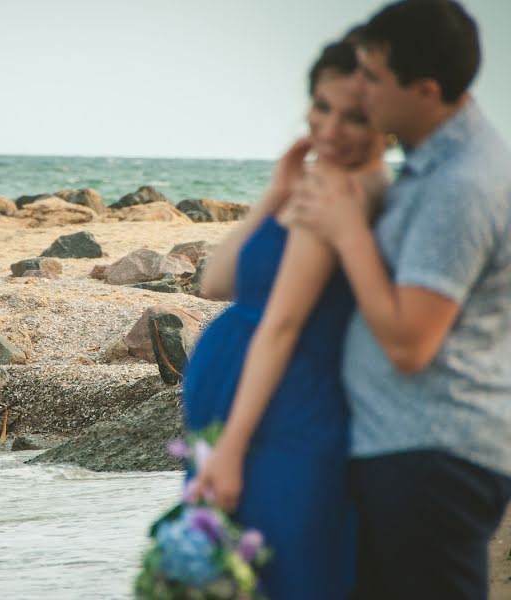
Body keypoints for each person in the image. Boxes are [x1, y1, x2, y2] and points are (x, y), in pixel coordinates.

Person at [287, 2, 511, 598]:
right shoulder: (432, 166)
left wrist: (347, 229)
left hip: (431, 456)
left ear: (426, 90)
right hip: (406, 450)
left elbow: (411, 342)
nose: (361, 89)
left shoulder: (460, 185)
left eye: (374, 78)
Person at [182, 38, 389, 598]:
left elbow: (282, 325)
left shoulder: (341, 193)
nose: (330, 128)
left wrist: (230, 449)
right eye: (322, 107)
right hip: (253, 408)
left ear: (386, 121)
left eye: (355, 116)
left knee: (280, 571)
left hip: (284, 412)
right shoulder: (314, 186)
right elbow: (217, 282)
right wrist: (276, 190)